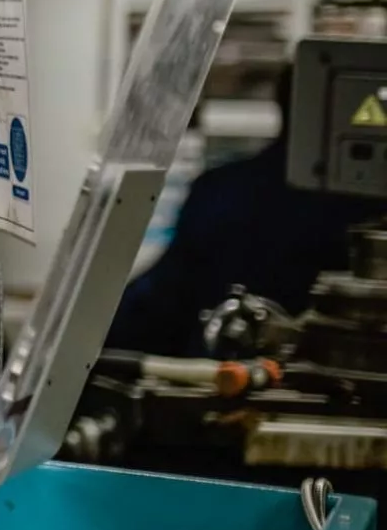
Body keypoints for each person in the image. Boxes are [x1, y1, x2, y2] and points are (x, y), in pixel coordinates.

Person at [105, 67, 372, 354]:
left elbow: (161, 298)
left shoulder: (220, 188)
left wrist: (92, 330)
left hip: (212, 377)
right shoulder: (363, 208)